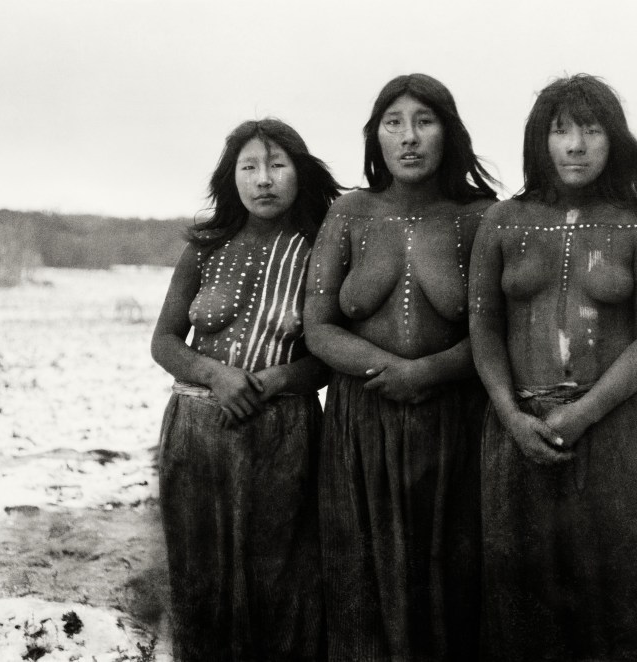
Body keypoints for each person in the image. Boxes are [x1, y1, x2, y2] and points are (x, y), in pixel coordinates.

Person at [469, 74, 637, 661]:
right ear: (539, 140)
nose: (576, 145)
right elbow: (484, 330)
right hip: (517, 434)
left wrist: (584, 412)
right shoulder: (503, 222)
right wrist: (510, 414)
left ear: (612, 139)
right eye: (562, 130)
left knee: (626, 601)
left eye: (592, 130)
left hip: (620, 432)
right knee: (527, 606)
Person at [304, 73, 498, 661]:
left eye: (424, 121)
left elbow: (495, 332)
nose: (409, 138)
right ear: (376, 137)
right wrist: (385, 368)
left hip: (455, 429)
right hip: (359, 430)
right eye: (394, 123)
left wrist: (427, 373)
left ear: (450, 134)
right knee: (361, 581)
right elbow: (318, 325)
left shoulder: (483, 217)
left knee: (452, 585)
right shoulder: (349, 213)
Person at [151, 118, 340, 661]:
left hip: (282, 436)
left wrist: (279, 378)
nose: (264, 179)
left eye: (277, 165)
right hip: (194, 438)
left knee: (282, 581)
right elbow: (164, 341)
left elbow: (327, 354)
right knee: (198, 579)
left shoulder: (321, 250)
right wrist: (214, 374)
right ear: (230, 177)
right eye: (249, 167)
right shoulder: (205, 246)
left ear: (299, 174)